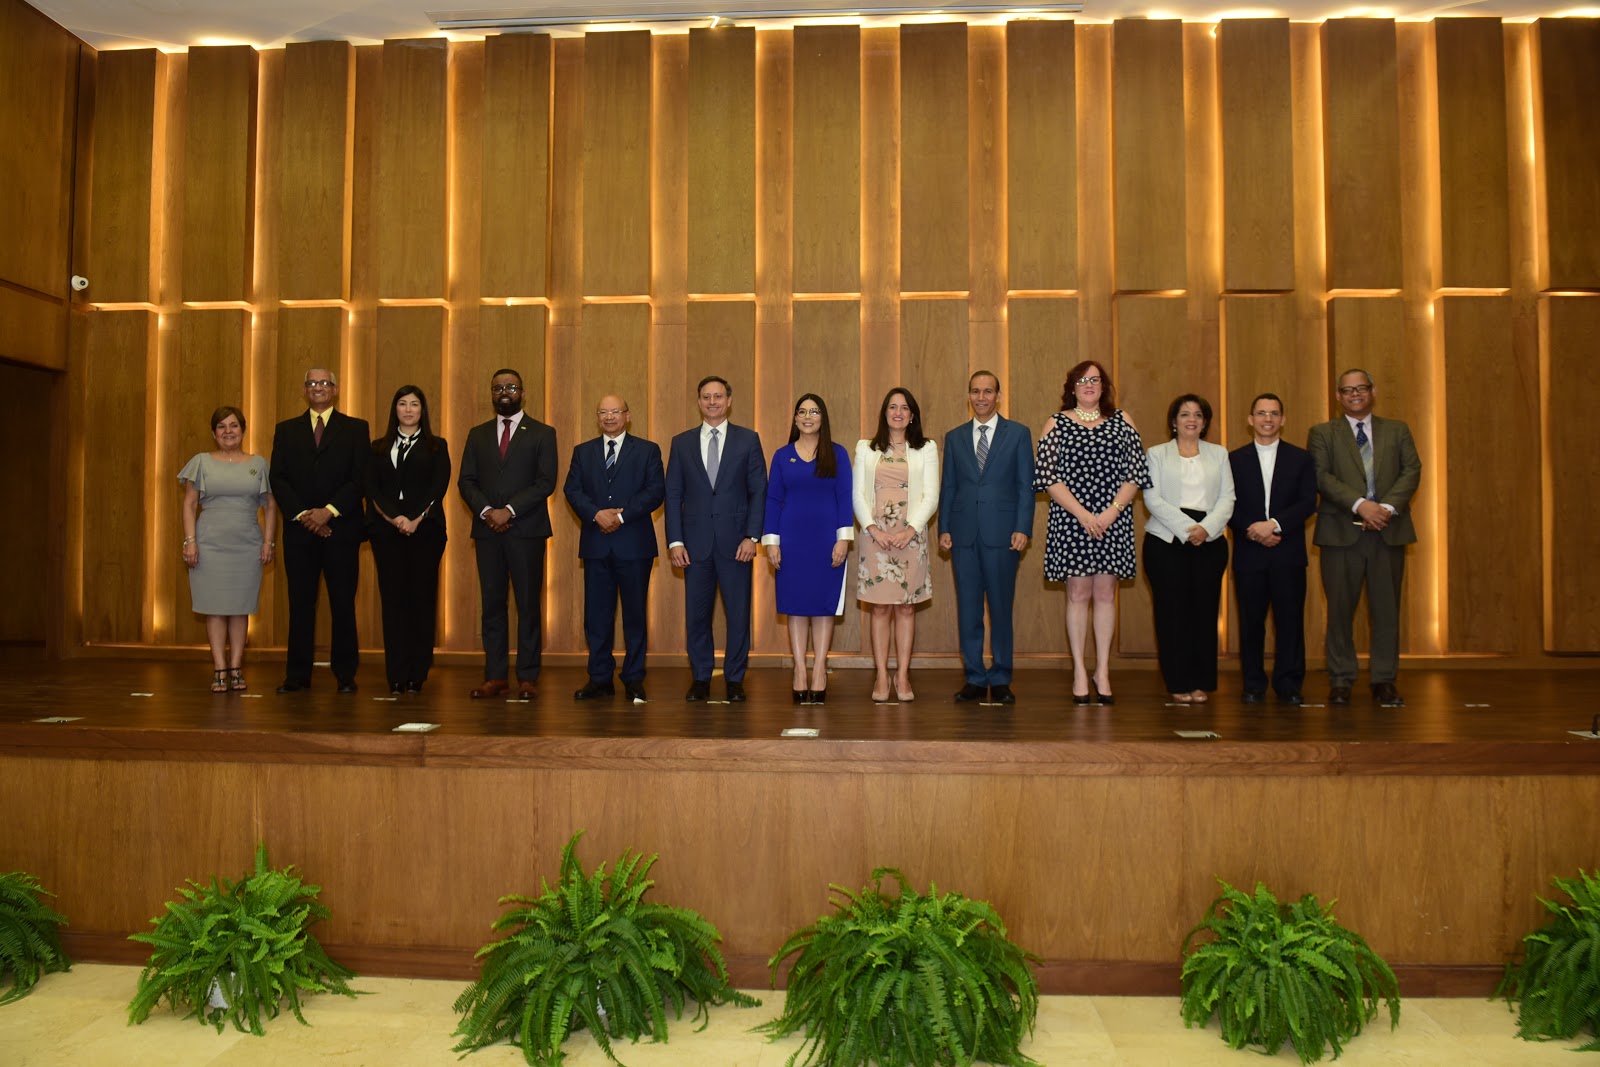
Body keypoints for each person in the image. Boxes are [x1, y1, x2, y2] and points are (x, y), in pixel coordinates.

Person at [1033, 362, 1150, 706]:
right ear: (1072, 387)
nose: (1089, 385)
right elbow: (1048, 477)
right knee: (1078, 593)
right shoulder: (1056, 422)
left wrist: (1111, 512)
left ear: (1104, 386)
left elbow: (1136, 473)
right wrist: (1084, 514)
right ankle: (1080, 672)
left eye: (1095, 380)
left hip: (1113, 519)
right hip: (1073, 520)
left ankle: (1102, 670)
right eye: (1082, 380)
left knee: (1105, 593)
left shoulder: (1123, 420)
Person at [1307, 369, 1422, 708]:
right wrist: (1361, 506)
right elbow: (1321, 476)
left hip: (1388, 531)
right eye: (1347, 390)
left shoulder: (1397, 430)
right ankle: (1341, 679)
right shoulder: (1322, 433)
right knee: (1340, 611)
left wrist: (1384, 508)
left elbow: (1412, 470)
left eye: (1361, 388)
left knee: (1387, 612)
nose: (1354, 394)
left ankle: (1384, 679)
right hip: (1341, 533)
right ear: (1338, 396)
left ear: (1373, 391)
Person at [665, 376, 767, 703]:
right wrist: (675, 541)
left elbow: (758, 492)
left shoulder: (748, 440)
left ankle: (735, 679)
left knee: (738, 615)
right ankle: (701, 677)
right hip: (694, 546)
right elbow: (673, 495)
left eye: (718, 396)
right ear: (699, 402)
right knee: (697, 616)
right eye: (706, 397)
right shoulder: (681, 443)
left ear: (729, 400)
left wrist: (752, 536)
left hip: (737, 544)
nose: (712, 402)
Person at [458, 368, 558, 700]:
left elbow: (546, 481)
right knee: (492, 605)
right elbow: (466, 481)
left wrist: (509, 510)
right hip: (488, 532)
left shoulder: (542, 433)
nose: (504, 392)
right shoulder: (477, 434)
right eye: (498, 388)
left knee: (528, 605)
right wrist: (488, 511)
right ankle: (495, 676)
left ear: (522, 393)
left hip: (526, 531)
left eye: (511, 387)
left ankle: (528, 677)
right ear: (491, 393)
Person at [938, 371, 1035, 705]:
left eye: (988, 391)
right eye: (976, 391)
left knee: (1001, 609)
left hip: (1004, 534)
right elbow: (949, 486)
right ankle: (975, 678)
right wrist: (944, 528)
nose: (981, 397)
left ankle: (1002, 677)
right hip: (963, 535)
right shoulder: (954, 437)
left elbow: (1025, 487)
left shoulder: (1018, 434)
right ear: (968, 395)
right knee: (968, 610)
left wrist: (1023, 527)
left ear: (998, 396)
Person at [270, 368, 370, 694]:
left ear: (335, 389)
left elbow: (360, 478)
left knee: (343, 604)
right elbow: (278, 478)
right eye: (312, 383)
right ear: (304, 390)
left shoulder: (356, 428)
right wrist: (304, 515)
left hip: (342, 530)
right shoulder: (286, 430)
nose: (318, 388)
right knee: (300, 605)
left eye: (324, 383)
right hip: (300, 533)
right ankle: (297, 676)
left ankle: (346, 676)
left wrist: (328, 511)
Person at [562, 395, 665, 703]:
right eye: (603, 412)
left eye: (615, 411)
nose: (609, 417)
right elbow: (572, 490)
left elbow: (655, 491)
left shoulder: (647, 450)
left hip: (634, 545)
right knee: (596, 618)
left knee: (635, 616)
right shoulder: (583, 452)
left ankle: (634, 678)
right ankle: (599, 678)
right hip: (596, 545)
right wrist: (596, 514)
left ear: (627, 415)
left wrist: (620, 516)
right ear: (597, 417)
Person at [1142, 394, 1235, 704]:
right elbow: (1152, 499)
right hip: (1166, 541)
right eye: (1184, 414)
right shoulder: (1157, 454)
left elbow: (1228, 498)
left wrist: (1206, 528)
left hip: (1210, 540)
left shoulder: (1219, 454)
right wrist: (1188, 529)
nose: (1191, 419)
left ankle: (1200, 682)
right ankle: (1177, 681)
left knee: (1205, 613)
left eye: (1197, 414)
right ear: (1174, 421)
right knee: (1172, 613)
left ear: (1205, 422)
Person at [762, 394, 853, 704]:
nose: (807, 416)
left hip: (828, 540)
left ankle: (820, 669)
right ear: (795, 418)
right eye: (802, 411)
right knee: (796, 606)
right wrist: (771, 541)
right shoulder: (781, 455)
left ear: (822, 418)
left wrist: (843, 539)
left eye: (814, 412)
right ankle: (800, 669)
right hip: (791, 541)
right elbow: (773, 499)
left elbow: (845, 496)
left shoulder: (837, 454)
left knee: (823, 606)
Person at [1227, 393, 1318, 705]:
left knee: (1290, 621)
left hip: (1287, 551)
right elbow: (1226, 504)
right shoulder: (1234, 460)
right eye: (1262, 413)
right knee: (1250, 623)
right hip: (1249, 551)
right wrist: (1254, 530)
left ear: (1283, 419)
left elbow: (1308, 502)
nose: (1268, 419)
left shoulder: (1301, 458)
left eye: (1274, 413)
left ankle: (1289, 683)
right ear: (1250, 419)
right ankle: (1253, 683)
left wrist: (1275, 525)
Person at [179, 406, 277, 692]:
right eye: (221, 427)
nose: (228, 431)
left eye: (233, 425)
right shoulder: (201, 462)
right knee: (214, 608)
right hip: (209, 545)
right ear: (213, 433)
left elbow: (271, 507)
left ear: (243, 430)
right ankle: (219, 669)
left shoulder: (259, 464)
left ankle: (236, 668)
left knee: (239, 608)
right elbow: (189, 504)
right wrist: (189, 541)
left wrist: (268, 542)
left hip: (247, 545)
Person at [854, 387, 940, 703]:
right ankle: (881, 675)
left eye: (904, 408)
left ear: (912, 415)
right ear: (885, 412)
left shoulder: (926, 448)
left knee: (905, 607)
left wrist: (910, 530)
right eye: (892, 407)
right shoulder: (865, 448)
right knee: (879, 608)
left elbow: (931, 495)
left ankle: (902, 675)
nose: (898, 412)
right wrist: (873, 529)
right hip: (874, 537)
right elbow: (857, 495)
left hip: (911, 537)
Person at [363, 385, 450, 695]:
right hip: (387, 534)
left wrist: (414, 518)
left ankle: (417, 673)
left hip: (425, 532)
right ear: (395, 409)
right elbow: (371, 488)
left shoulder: (437, 446)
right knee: (394, 602)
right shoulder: (377, 447)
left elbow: (438, 487)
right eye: (403, 404)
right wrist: (394, 518)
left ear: (422, 410)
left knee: (422, 601)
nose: (409, 409)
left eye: (415, 404)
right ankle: (397, 674)